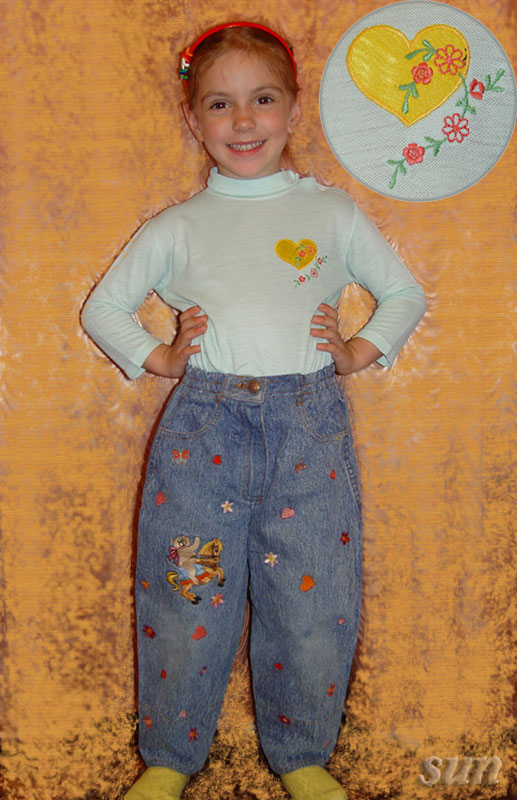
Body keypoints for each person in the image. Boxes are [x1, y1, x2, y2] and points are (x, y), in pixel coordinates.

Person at [81, 20, 426, 800]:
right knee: (186, 593)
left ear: (294, 110)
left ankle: (301, 755)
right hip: (200, 442)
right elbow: (103, 308)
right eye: (219, 103)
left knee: (312, 599)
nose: (243, 121)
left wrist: (359, 350)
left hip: (309, 433)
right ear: (192, 119)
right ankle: (169, 758)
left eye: (262, 99)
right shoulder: (177, 227)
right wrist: (158, 358)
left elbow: (403, 293)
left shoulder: (331, 213)